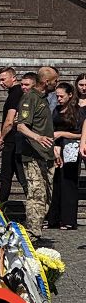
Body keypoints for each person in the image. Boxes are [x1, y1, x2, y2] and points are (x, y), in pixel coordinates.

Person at [14, 71, 54, 240]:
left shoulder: (42, 99)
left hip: (45, 154)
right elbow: (21, 126)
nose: (56, 83)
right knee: (36, 194)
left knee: (46, 195)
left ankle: (36, 228)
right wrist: (38, 138)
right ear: (45, 81)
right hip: (33, 155)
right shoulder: (30, 98)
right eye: (54, 81)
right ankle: (32, 233)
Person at [49, 82, 82, 230]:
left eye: (62, 96)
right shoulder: (56, 109)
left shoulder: (77, 111)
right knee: (56, 182)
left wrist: (62, 134)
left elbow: (80, 133)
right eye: (57, 96)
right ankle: (54, 218)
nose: (59, 99)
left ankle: (68, 219)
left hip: (72, 146)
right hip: (57, 147)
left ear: (70, 95)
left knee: (68, 182)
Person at [0, 67, 28, 207]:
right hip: (13, 140)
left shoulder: (15, 94)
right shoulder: (15, 93)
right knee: (8, 177)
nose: (1, 83)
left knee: (13, 177)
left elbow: (9, 120)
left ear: (13, 78)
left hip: (14, 142)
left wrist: (1, 136)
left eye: (3, 79)